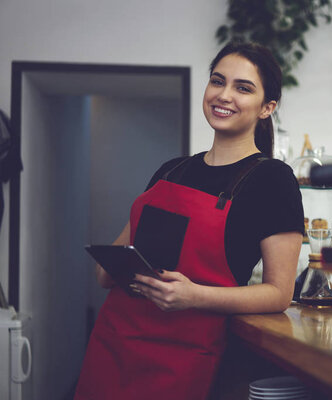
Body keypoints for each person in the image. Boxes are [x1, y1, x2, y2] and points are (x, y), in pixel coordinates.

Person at [74, 41, 304, 400]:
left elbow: (279, 293)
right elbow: (109, 270)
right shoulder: (171, 170)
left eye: (243, 88)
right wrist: (113, 263)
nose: (224, 95)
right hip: (115, 346)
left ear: (266, 107)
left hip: (181, 359)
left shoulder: (272, 180)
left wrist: (194, 296)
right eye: (217, 81)